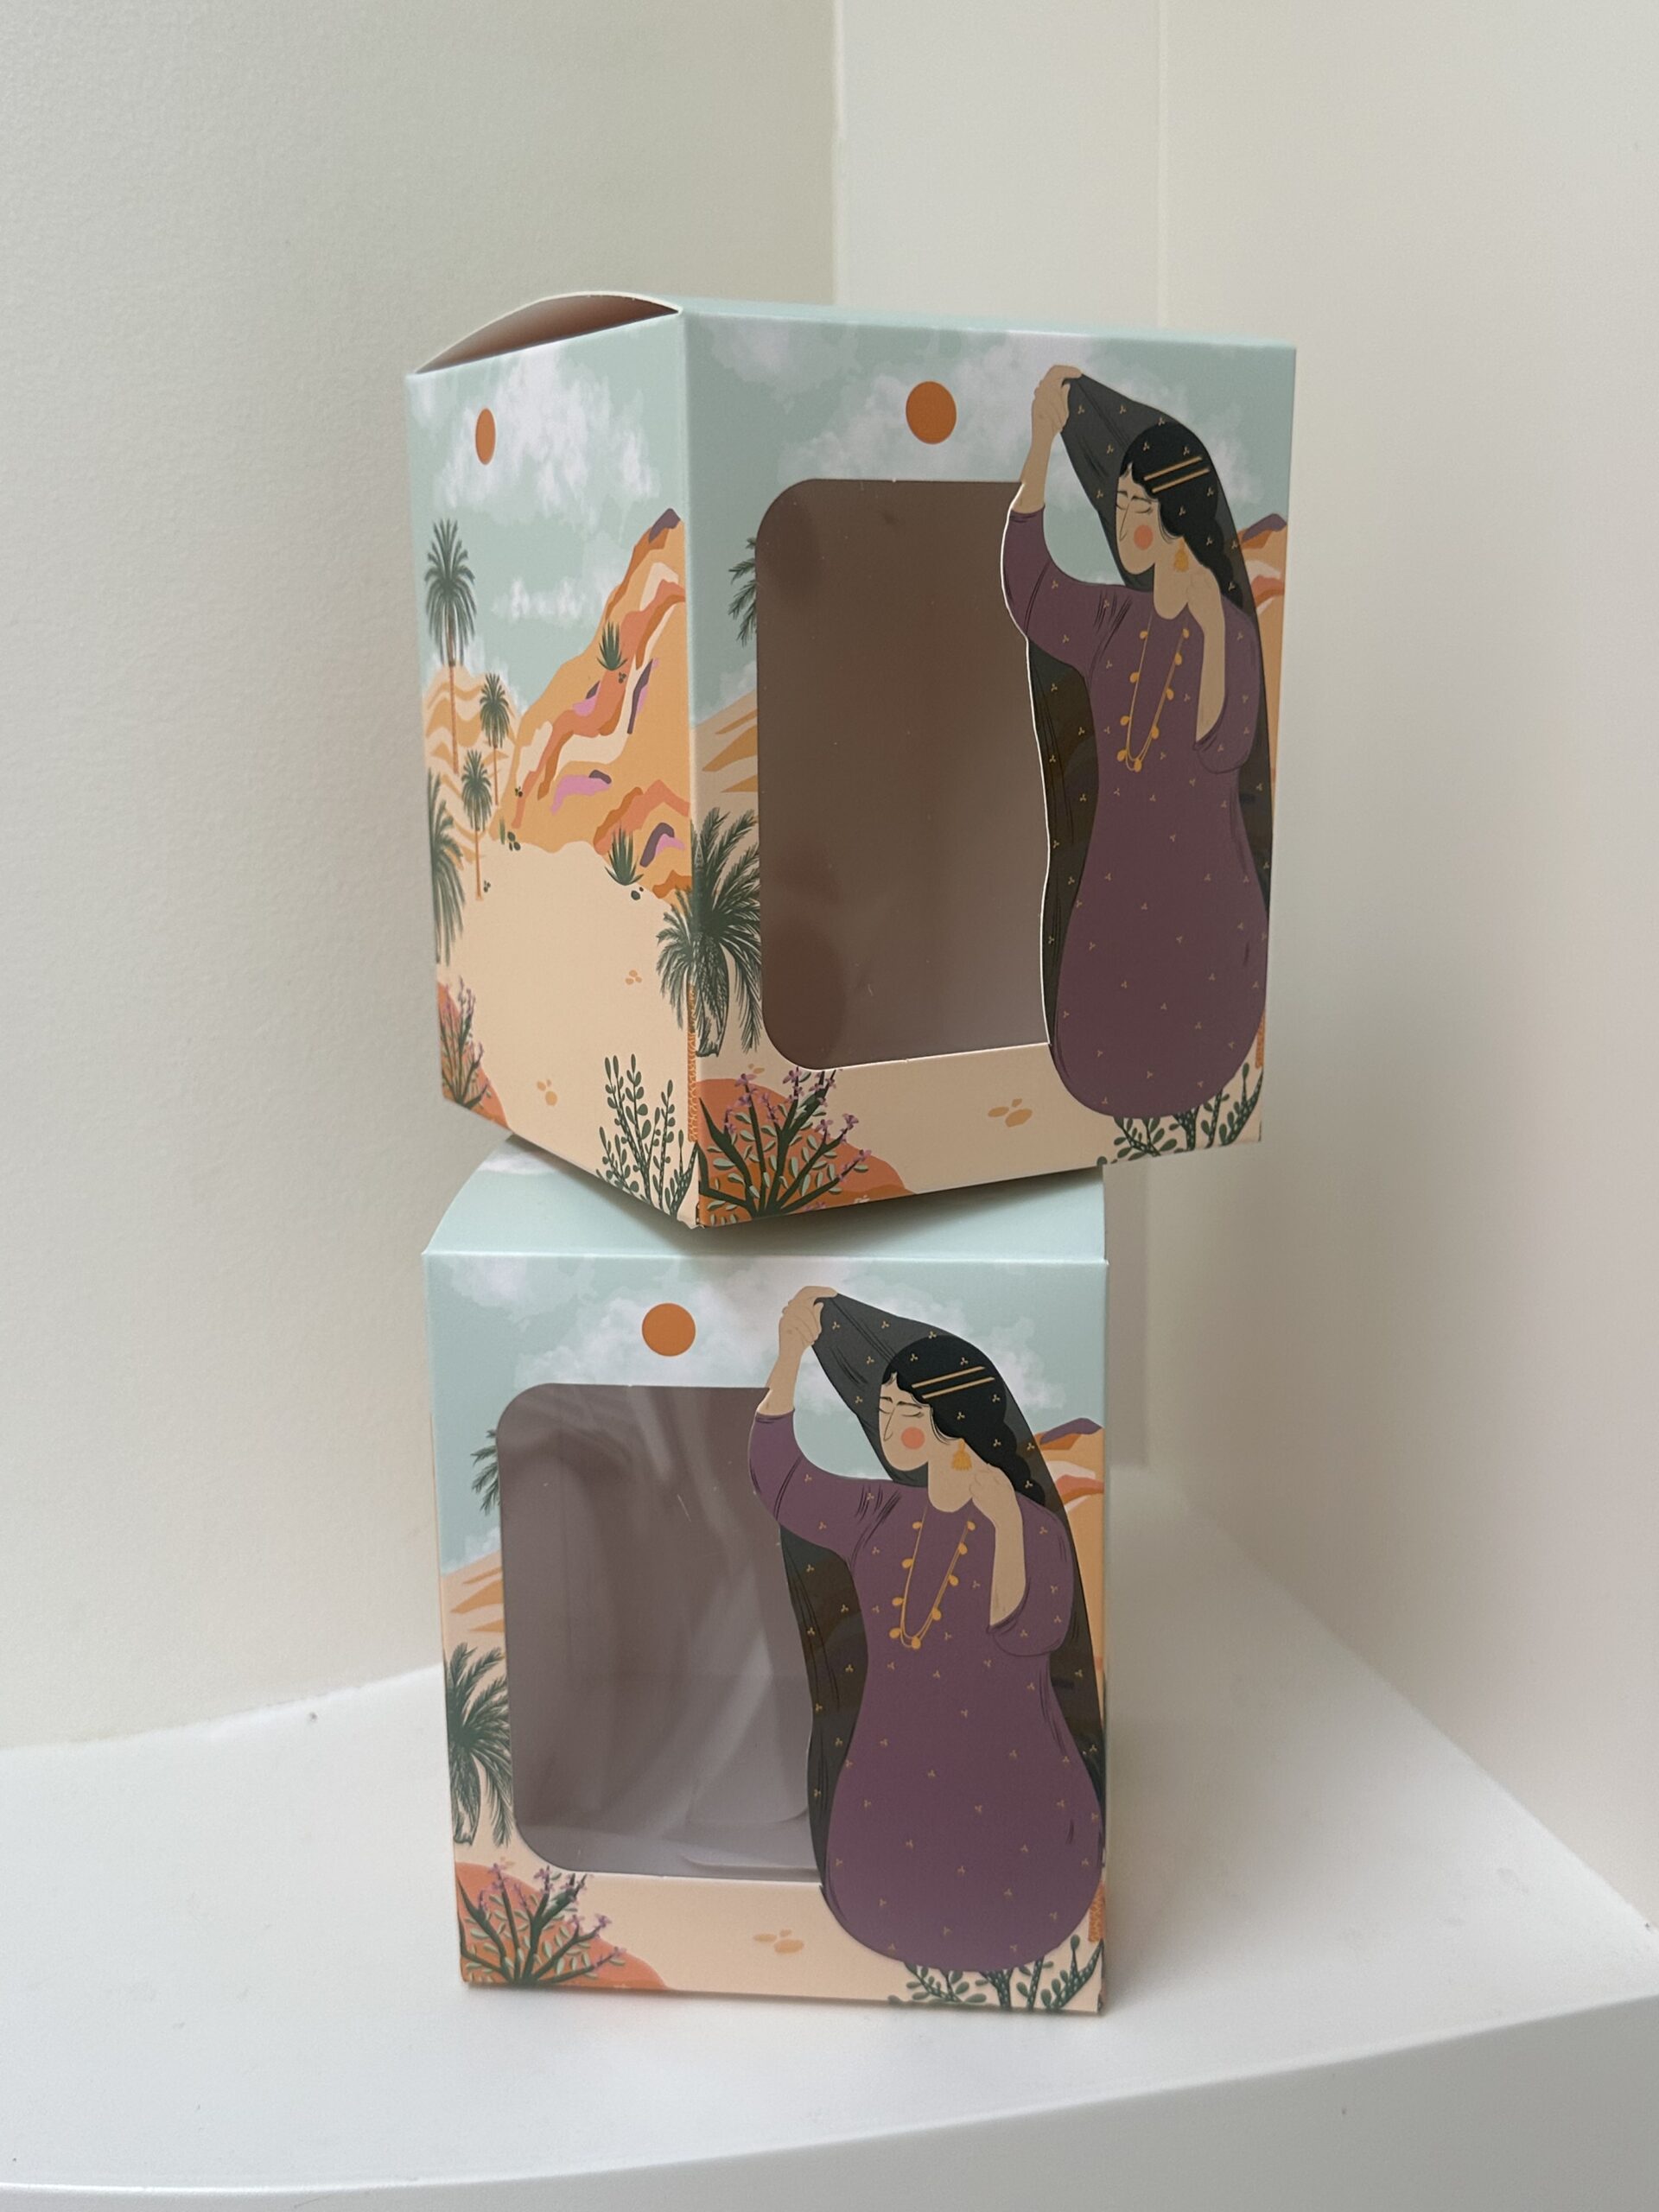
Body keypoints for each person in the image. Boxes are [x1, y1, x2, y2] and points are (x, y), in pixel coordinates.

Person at [748, 1286, 1103, 1974]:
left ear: (953, 1424)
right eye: (883, 1408)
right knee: (888, 1893)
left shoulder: (1032, 1528)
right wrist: (790, 1358)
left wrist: (1004, 1524)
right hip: (893, 1765)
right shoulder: (878, 1513)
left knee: (1008, 1895)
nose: (886, 1426)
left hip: (1011, 1769)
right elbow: (782, 1482)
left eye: (904, 1413)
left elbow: (1029, 1634)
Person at [1003, 364, 1271, 1119]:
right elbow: (1029, 587)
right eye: (1118, 505)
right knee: (1100, 1050)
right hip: (1118, 897)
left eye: (1138, 509)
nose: (1124, 527)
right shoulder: (1113, 621)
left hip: (1207, 902)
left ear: (1179, 519)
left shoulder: (1231, 634)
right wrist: (1041, 444)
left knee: (1192, 1038)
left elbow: (1224, 748)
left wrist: (1209, 620)